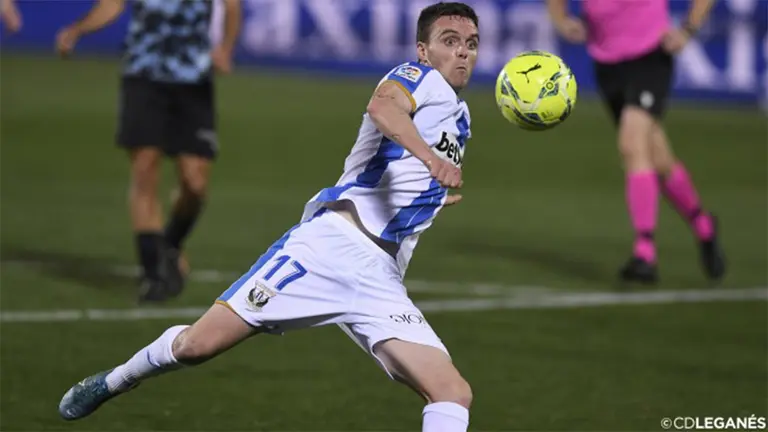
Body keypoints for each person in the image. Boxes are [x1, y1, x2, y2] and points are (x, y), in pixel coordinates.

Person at [58, 2, 477, 431]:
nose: (463, 51)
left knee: (452, 392)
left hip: (381, 277)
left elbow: (397, 169)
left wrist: (427, 197)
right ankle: (116, 379)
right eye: (450, 41)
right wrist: (430, 160)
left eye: (471, 43)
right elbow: (383, 109)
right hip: (329, 248)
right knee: (195, 346)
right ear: (423, 51)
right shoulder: (416, 76)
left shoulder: (460, 117)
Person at [55, 0, 242, 302]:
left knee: (195, 184)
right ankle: (153, 274)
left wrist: (226, 48)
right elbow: (112, 4)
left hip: (194, 78)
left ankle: (170, 243)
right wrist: (77, 30)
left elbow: (231, 5)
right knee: (145, 170)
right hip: (143, 75)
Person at [547, 0, 726, 284]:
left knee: (631, 144)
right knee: (658, 158)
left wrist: (688, 29)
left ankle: (645, 253)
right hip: (607, 64)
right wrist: (561, 19)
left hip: (650, 56)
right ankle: (704, 226)